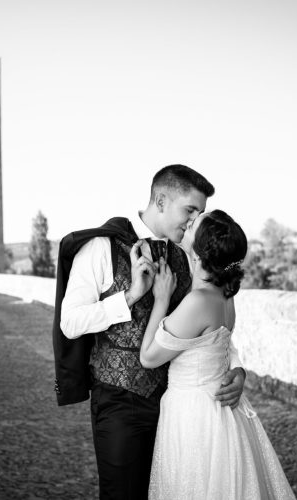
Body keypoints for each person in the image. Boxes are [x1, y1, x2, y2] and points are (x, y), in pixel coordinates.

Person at [52, 164, 247, 500]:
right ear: (160, 200)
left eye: (199, 213)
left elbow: (210, 326)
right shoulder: (102, 246)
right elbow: (69, 323)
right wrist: (129, 297)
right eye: (189, 210)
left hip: (178, 410)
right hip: (119, 402)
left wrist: (236, 370)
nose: (192, 222)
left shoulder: (192, 254)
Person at [140, 209, 295, 499]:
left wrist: (160, 300)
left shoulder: (198, 300)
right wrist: (239, 370)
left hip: (195, 416)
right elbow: (221, 346)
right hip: (220, 412)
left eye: (193, 225)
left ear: (199, 253)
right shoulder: (226, 293)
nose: (187, 223)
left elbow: (148, 357)